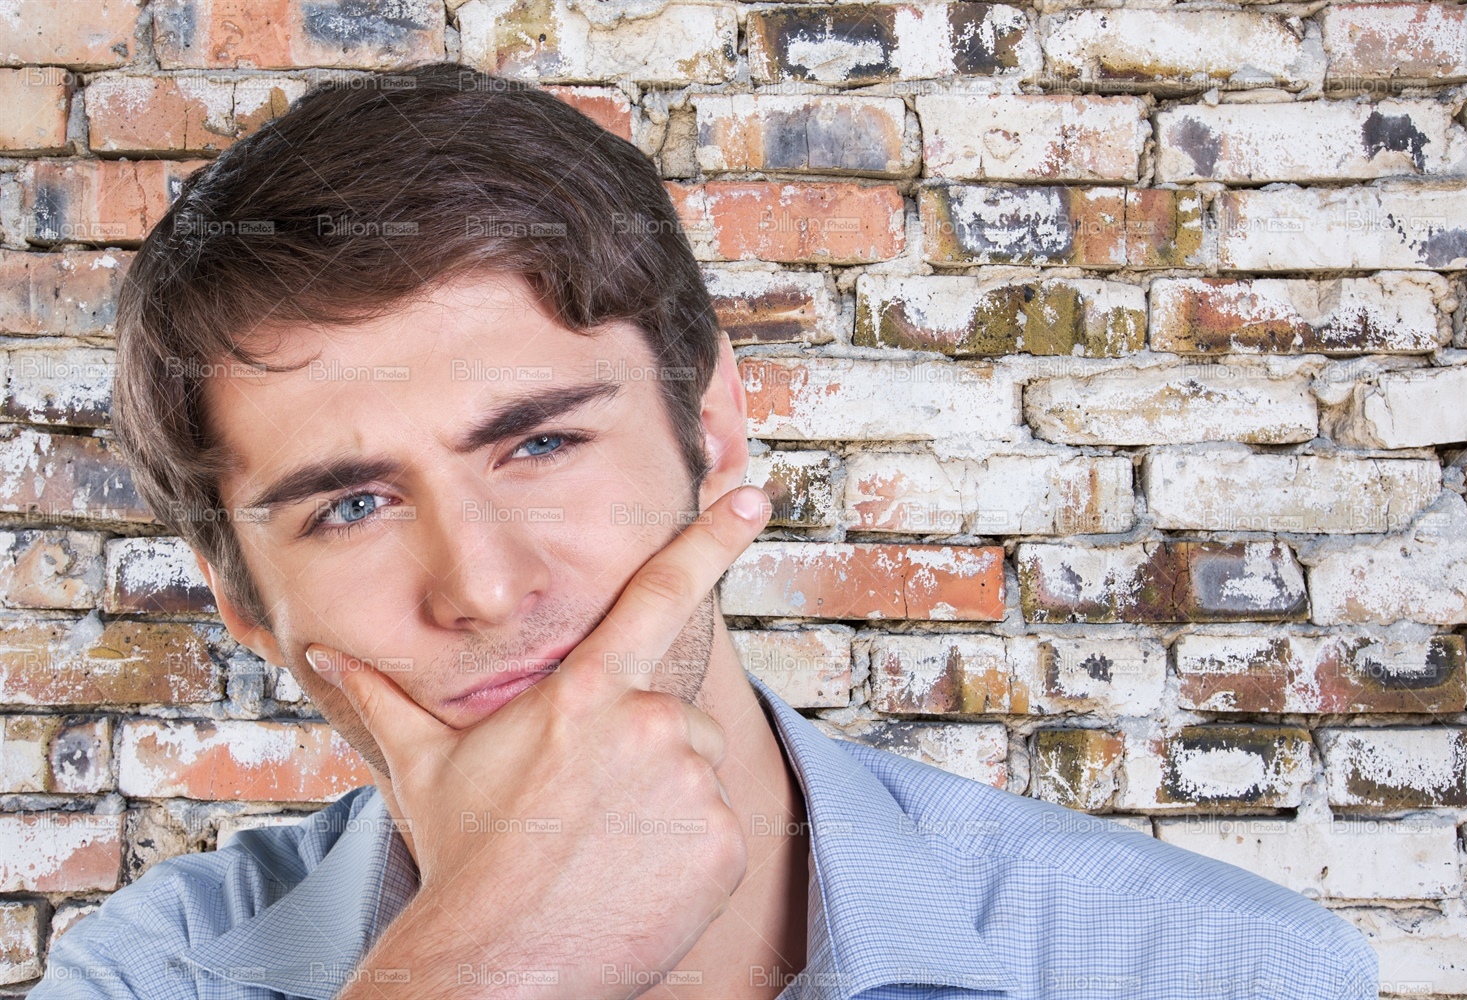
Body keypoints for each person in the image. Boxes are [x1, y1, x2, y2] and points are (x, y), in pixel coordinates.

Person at [31, 62, 1379, 1000]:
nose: (484, 587)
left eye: (541, 445)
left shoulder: (1219, 970)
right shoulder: (149, 975)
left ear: (713, 428)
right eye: (352, 506)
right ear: (244, 600)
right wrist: (483, 964)